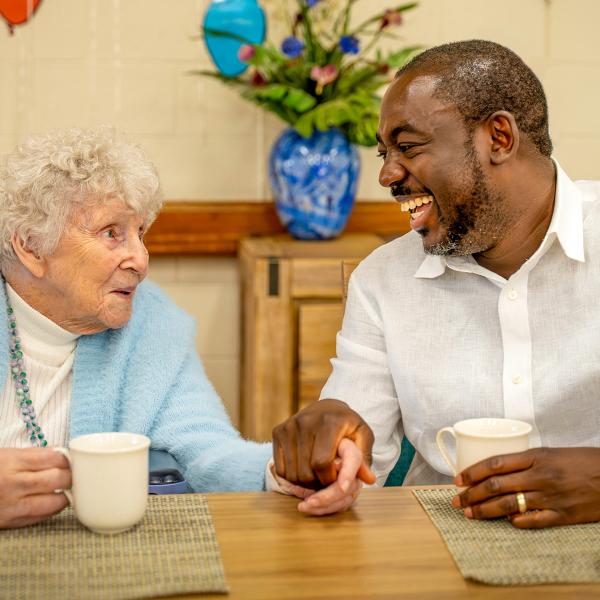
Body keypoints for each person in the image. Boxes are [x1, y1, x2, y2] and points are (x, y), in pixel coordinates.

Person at [273, 40, 600, 528]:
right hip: (436, 556)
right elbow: (356, 447)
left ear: (499, 137)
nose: (387, 174)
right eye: (385, 153)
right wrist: (324, 448)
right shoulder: (382, 281)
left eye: (407, 147)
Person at [0, 126, 363, 529]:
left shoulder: (150, 321)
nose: (140, 259)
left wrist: (289, 472)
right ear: (31, 246)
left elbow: (205, 449)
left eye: (140, 233)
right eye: (111, 233)